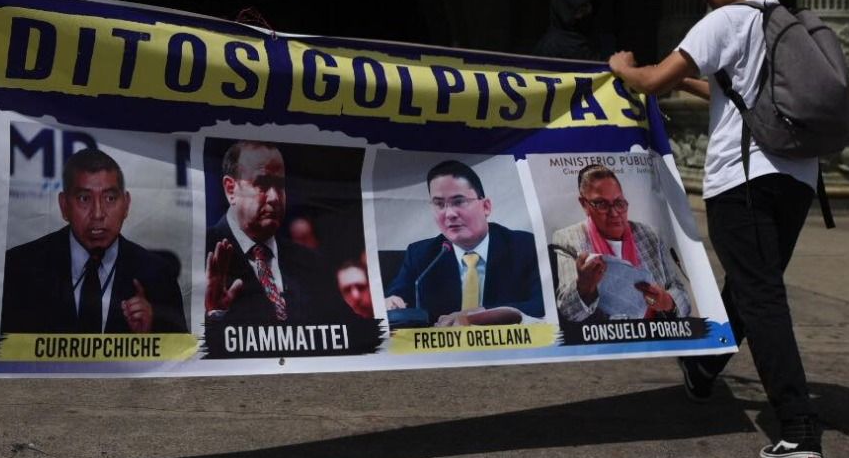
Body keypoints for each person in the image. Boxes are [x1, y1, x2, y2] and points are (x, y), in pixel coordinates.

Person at [608, 0, 825, 458]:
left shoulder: (726, 19)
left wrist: (624, 68)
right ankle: (704, 370)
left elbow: (652, 82)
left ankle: (797, 429)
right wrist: (694, 83)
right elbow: (743, 96)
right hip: (799, 174)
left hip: (744, 177)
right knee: (753, 282)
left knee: (761, 294)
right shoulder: (789, 23)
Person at [2, 147, 188, 333]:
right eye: (84, 198)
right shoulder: (20, 269)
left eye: (110, 198)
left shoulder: (158, 277)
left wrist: (150, 335)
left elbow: (182, 360)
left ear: (126, 205)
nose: (98, 214)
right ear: (64, 205)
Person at [204, 140, 355, 325]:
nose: (275, 198)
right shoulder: (201, 251)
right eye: (262, 183)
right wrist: (214, 316)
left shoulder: (311, 263)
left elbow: (349, 329)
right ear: (231, 189)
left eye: (280, 185)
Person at [384, 159, 545, 327]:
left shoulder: (524, 246)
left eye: (459, 201)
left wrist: (477, 315)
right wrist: (392, 303)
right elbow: (397, 296)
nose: (449, 214)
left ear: (486, 207)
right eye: (439, 204)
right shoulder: (421, 255)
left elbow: (541, 304)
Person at [551, 163, 690, 325]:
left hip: (654, 338)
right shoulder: (568, 239)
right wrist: (583, 288)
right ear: (584, 204)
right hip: (606, 343)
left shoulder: (650, 235)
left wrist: (667, 301)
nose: (614, 213)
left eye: (619, 203)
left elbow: (682, 296)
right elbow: (568, 312)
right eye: (601, 204)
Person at [532, 0, 600, 61]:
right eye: (580, 11)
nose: (584, 15)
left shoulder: (588, 37)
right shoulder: (551, 45)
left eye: (587, 9)